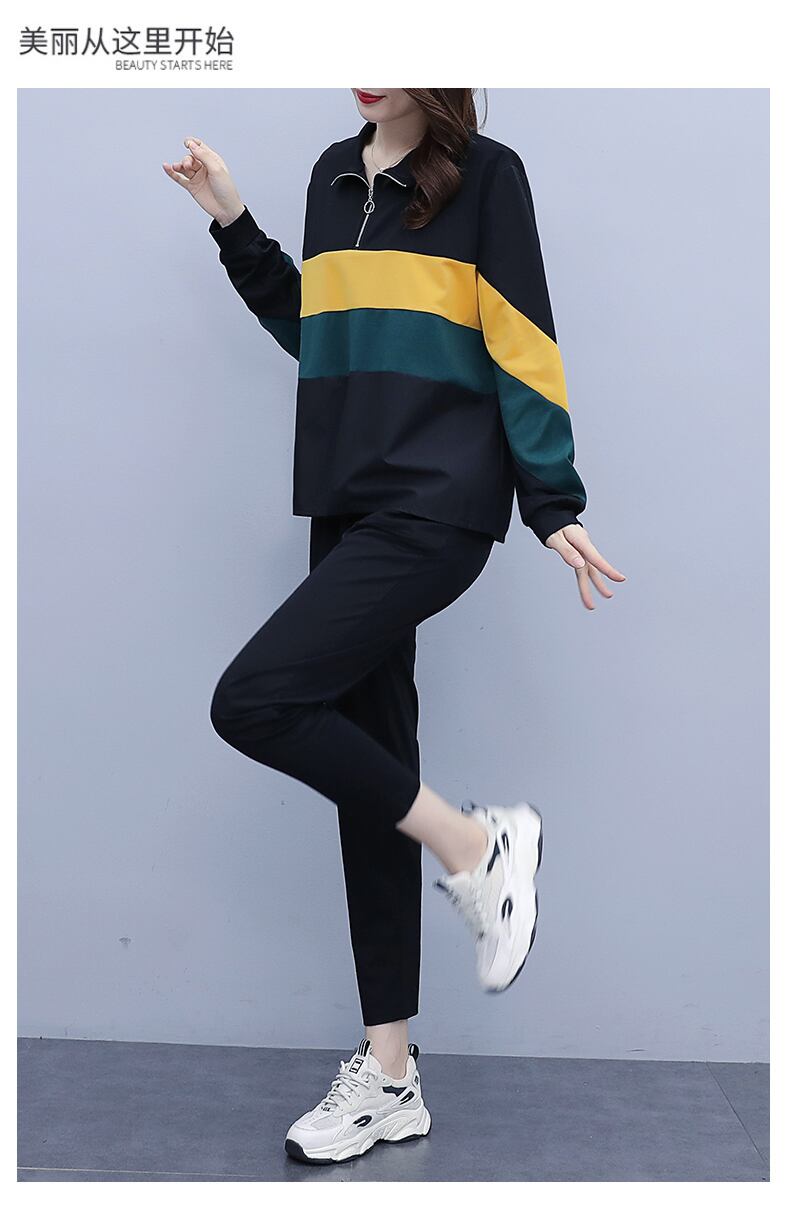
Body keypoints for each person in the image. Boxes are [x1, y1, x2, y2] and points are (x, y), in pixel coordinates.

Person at [163, 87, 625, 1166]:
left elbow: (522, 337)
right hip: (346, 501)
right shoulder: (334, 175)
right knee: (370, 774)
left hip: (436, 501)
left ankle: (476, 845)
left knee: (256, 701)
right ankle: (389, 1077)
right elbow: (318, 336)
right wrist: (232, 222)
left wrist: (551, 498)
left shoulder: (490, 177)